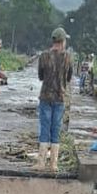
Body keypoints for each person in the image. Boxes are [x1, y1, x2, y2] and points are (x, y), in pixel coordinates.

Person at [34, 27, 74, 171]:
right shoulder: (68, 57)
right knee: (56, 129)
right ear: (63, 41)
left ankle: (40, 163)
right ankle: (54, 164)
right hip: (60, 97)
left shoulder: (44, 56)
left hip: (45, 96)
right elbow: (69, 78)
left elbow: (40, 76)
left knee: (44, 128)